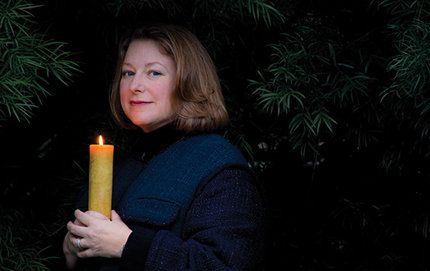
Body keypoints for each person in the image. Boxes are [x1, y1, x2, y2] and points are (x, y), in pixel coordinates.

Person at [62, 23, 265, 271]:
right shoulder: (122, 164)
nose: (135, 85)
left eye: (154, 73)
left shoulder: (220, 166)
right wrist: (71, 252)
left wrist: (127, 245)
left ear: (189, 82)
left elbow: (223, 265)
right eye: (128, 73)